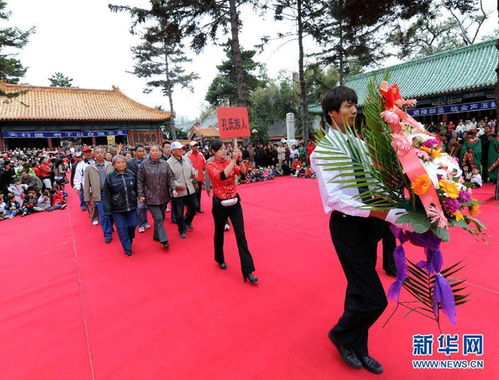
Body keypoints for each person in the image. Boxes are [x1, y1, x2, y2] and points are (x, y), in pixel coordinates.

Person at [311, 86, 410, 375]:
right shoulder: (323, 151)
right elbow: (335, 199)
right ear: (331, 113)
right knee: (373, 298)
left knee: (358, 289)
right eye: (346, 106)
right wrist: (382, 212)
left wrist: (396, 207)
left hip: (371, 225)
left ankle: (358, 347)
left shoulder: (361, 144)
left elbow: (374, 183)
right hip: (347, 227)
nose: (354, 110)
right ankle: (340, 334)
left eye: (355, 104)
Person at [206, 140, 258, 284]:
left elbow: (242, 174)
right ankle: (219, 258)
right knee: (219, 233)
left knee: (241, 236)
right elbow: (222, 176)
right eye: (220, 149)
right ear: (213, 152)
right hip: (220, 205)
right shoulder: (210, 165)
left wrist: (240, 160)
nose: (223, 151)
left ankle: (248, 271)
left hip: (235, 203)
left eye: (224, 149)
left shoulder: (230, 161)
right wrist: (233, 160)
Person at [137, 144, 177, 249]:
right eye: (153, 150)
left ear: (160, 152)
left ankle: (156, 235)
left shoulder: (165, 164)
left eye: (157, 151)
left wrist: (173, 189)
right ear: (149, 152)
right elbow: (140, 181)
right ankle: (164, 240)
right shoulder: (144, 165)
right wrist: (141, 195)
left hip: (164, 195)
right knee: (158, 218)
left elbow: (170, 178)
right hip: (150, 197)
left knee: (161, 217)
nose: (155, 152)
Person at [103, 155, 138, 256]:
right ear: (114, 165)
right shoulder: (109, 177)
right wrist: (108, 210)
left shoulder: (131, 174)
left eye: (123, 162)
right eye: (118, 162)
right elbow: (106, 194)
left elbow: (136, 188)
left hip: (131, 205)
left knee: (133, 224)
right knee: (121, 228)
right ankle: (127, 248)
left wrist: (140, 197)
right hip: (117, 208)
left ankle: (130, 237)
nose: (121, 164)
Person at [168, 141, 198, 239]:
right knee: (179, 213)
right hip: (178, 192)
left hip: (190, 188)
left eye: (181, 148)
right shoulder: (168, 163)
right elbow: (169, 178)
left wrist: (194, 173)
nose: (181, 150)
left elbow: (192, 169)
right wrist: (177, 185)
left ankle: (187, 221)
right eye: (178, 149)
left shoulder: (186, 159)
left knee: (194, 206)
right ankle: (182, 230)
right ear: (173, 151)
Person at [83, 147, 114, 242]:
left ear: (104, 153)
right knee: (103, 215)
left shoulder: (111, 165)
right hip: (98, 194)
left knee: (112, 214)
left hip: (111, 194)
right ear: (94, 155)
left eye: (101, 152)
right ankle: (107, 234)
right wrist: (86, 197)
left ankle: (110, 226)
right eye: (97, 153)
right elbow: (86, 184)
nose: (99, 154)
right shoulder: (89, 168)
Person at [127, 145, 151, 233]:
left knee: (145, 207)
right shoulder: (129, 163)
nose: (141, 153)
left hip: (147, 187)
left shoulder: (147, 161)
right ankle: (140, 224)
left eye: (142, 151)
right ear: (135, 152)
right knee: (140, 206)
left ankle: (145, 221)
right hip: (135, 188)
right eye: (139, 151)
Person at [186, 141, 207, 213]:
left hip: (200, 177)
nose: (195, 147)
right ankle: (192, 208)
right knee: (192, 194)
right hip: (192, 178)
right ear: (190, 147)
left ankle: (198, 208)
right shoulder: (187, 155)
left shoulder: (201, 155)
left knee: (198, 194)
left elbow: (205, 165)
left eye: (196, 145)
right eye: (194, 146)